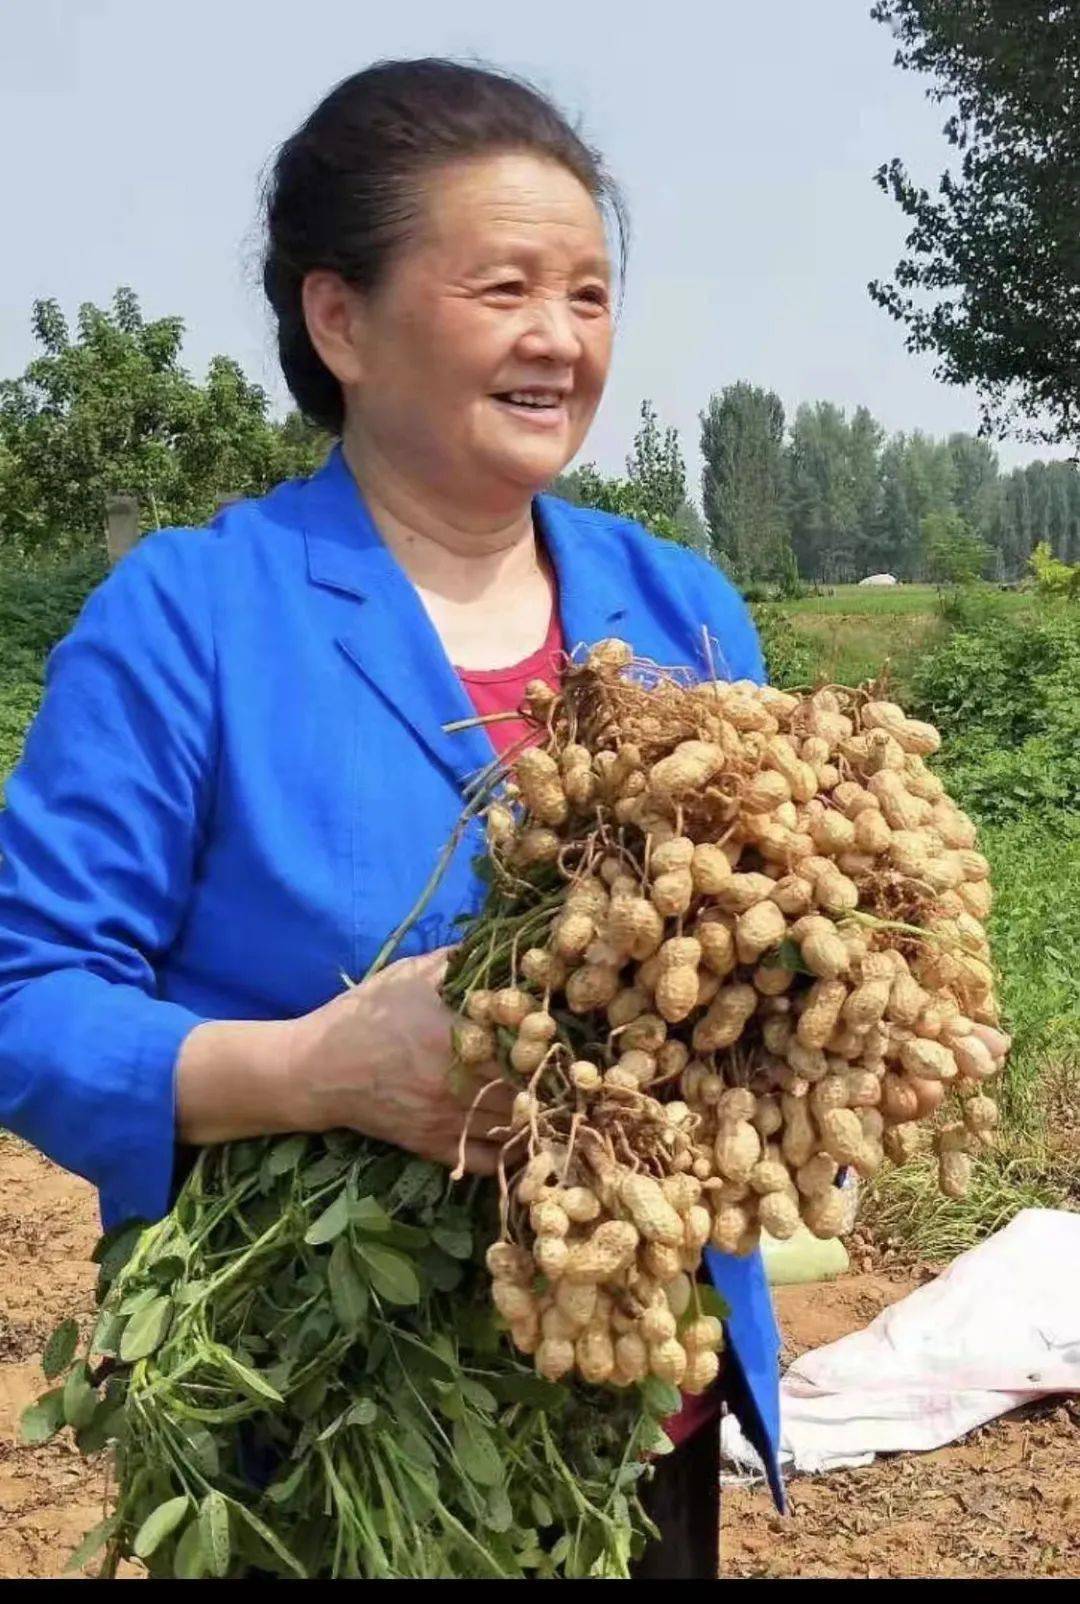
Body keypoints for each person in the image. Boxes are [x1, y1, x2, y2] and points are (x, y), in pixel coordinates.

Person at [0, 58, 1005, 1577]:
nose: (560, 338)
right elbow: (26, 997)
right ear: (339, 320)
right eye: (506, 288)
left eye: (591, 295)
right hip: (330, 1433)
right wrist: (309, 1071)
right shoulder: (192, 617)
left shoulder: (680, 607)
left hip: (635, 1407)